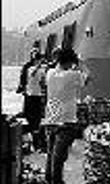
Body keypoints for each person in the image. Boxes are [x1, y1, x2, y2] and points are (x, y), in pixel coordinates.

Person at [42, 48, 89, 184]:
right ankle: (56, 181)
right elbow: (88, 76)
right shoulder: (73, 75)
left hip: (51, 119)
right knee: (59, 157)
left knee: (51, 154)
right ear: (69, 62)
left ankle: (49, 179)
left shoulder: (49, 73)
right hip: (66, 121)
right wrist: (80, 63)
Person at [17, 48, 47, 151]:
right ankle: (34, 144)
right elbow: (43, 84)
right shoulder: (40, 70)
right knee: (35, 122)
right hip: (36, 97)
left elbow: (24, 80)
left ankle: (33, 142)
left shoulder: (28, 68)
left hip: (29, 97)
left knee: (31, 120)